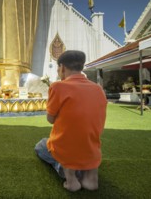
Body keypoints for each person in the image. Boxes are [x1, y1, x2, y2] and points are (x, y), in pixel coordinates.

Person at [35, 50, 107, 192]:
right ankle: (90, 176)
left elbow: (50, 119)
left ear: (62, 67)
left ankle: (69, 175)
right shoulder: (98, 89)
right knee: (85, 140)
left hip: (66, 149)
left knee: (41, 145)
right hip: (91, 149)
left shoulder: (58, 86)